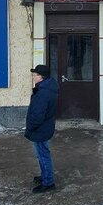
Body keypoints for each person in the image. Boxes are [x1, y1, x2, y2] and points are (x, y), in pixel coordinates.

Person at [25, 64, 58, 193]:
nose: (33, 77)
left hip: (40, 129)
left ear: (41, 77)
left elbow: (38, 114)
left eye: (35, 75)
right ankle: (45, 176)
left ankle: (48, 183)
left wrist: (31, 127)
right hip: (44, 127)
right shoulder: (47, 88)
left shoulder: (43, 92)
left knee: (43, 155)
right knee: (42, 154)